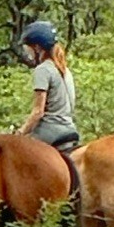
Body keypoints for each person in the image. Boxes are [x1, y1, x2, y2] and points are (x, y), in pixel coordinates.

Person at [16, 20, 79, 151]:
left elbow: (38, 112)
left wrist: (20, 132)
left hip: (49, 130)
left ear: (37, 48)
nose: (28, 52)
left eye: (29, 48)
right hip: (70, 127)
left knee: (16, 155)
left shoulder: (43, 69)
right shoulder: (65, 70)